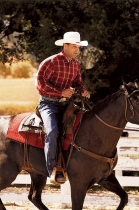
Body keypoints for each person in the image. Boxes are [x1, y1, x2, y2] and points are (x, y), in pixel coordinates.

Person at [35, 31, 91, 184]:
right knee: (52, 132)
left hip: (66, 105)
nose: (77, 50)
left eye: (78, 47)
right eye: (74, 46)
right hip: (48, 104)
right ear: (65, 46)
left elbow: (78, 83)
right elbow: (40, 85)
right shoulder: (50, 62)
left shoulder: (75, 64)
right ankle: (52, 170)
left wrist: (83, 91)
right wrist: (60, 92)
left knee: (85, 126)